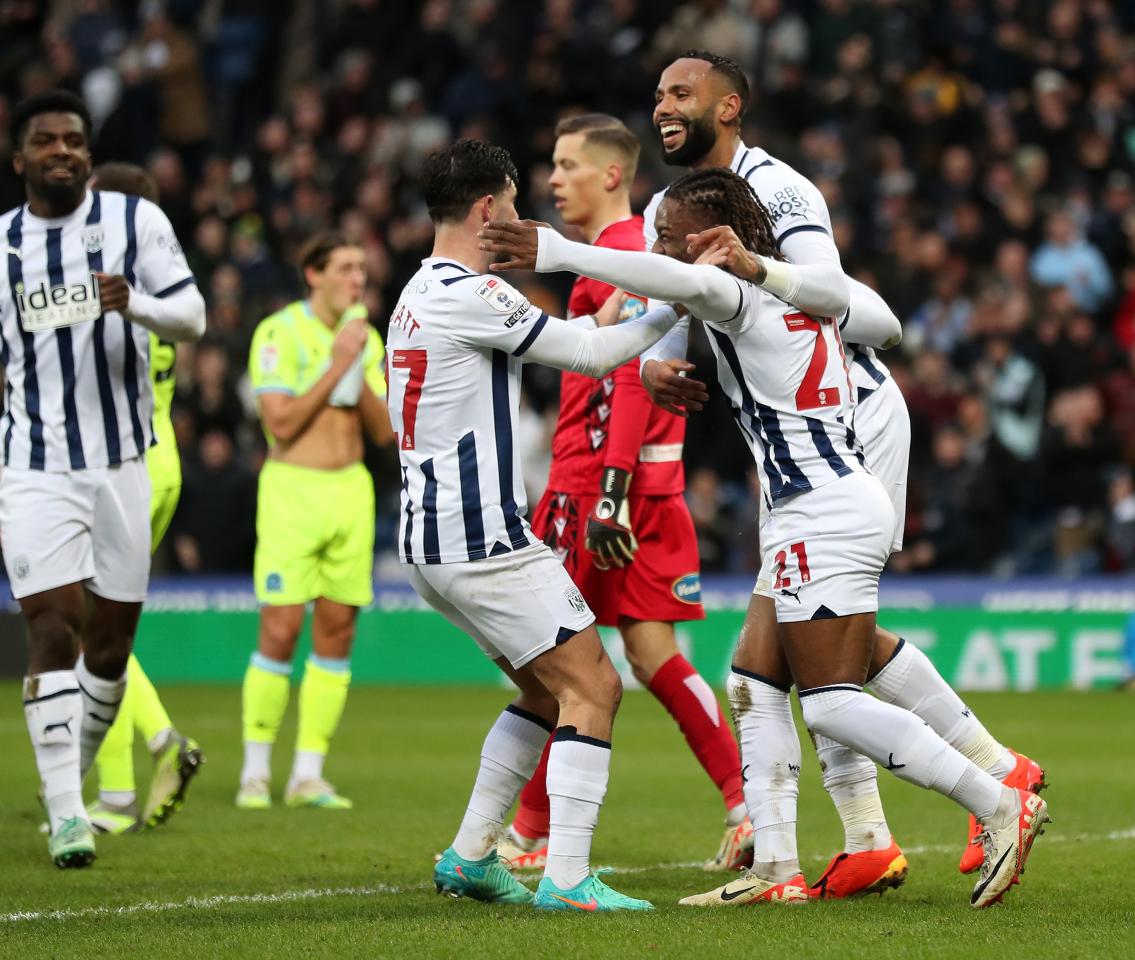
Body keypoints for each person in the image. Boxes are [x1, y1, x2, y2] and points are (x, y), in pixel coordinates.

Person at [478, 167, 1051, 911]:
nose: (656, 247)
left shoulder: (736, 293)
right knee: (752, 678)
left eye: (667, 235)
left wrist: (554, 251)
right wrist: (654, 360)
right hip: (817, 504)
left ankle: (997, 799)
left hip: (823, 509)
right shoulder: (807, 290)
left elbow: (673, 282)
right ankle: (776, 866)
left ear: (709, 241)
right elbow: (873, 318)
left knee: (831, 704)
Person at [639, 50, 1046, 897]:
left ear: (730, 105)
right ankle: (862, 838)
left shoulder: (781, 191)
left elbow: (833, 295)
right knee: (778, 663)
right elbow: (670, 306)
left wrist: (749, 281)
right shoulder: (668, 209)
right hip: (783, 437)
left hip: (846, 415)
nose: (663, 107)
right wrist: (654, 362)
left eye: (681, 93)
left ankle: (989, 780)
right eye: (658, 95)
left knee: (825, 650)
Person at [393, 139, 686, 912]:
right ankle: (568, 877)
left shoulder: (416, 292)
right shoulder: (474, 293)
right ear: (487, 208)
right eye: (516, 203)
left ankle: (469, 856)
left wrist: (618, 314)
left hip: (430, 541)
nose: (524, 216)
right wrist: (675, 304)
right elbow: (588, 354)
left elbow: (569, 338)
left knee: (544, 691)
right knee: (595, 685)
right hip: (480, 538)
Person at [498, 113, 750, 875]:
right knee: (650, 656)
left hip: (597, 490)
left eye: (567, 164)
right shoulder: (629, 253)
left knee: (555, 663)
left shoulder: (624, 256)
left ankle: (527, 834)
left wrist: (608, 494)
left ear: (612, 174)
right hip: (646, 488)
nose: (552, 178)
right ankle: (746, 808)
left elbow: (633, 386)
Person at [1, 90, 206, 868]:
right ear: (19, 159)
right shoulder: (2, 248)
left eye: (74, 139)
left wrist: (136, 304)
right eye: (46, 140)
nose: (62, 150)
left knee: (111, 648)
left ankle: (70, 785)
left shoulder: (135, 222)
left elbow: (192, 317)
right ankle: (67, 815)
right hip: (34, 465)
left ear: (88, 153)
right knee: (54, 623)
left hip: (123, 464)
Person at [236, 230, 393, 811]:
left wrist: (360, 361)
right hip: (292, 492)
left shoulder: (366, 338)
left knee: (337, 633)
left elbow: (384, 432)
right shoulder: (278, 332)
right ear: (314, 274)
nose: (357, 279)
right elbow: (279, 424)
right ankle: (255, 772)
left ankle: (308, 774)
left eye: (361, 268)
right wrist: (338, 365)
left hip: (350, 490)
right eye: (345, 267)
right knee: (279, 631)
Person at [83, 161, 205, 834]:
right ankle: (118, 794)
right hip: (164, 461)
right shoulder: (165, 288)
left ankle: (156, 749)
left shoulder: (105, 288)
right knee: (103, 628)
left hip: (118, 464)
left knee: (94, 630)